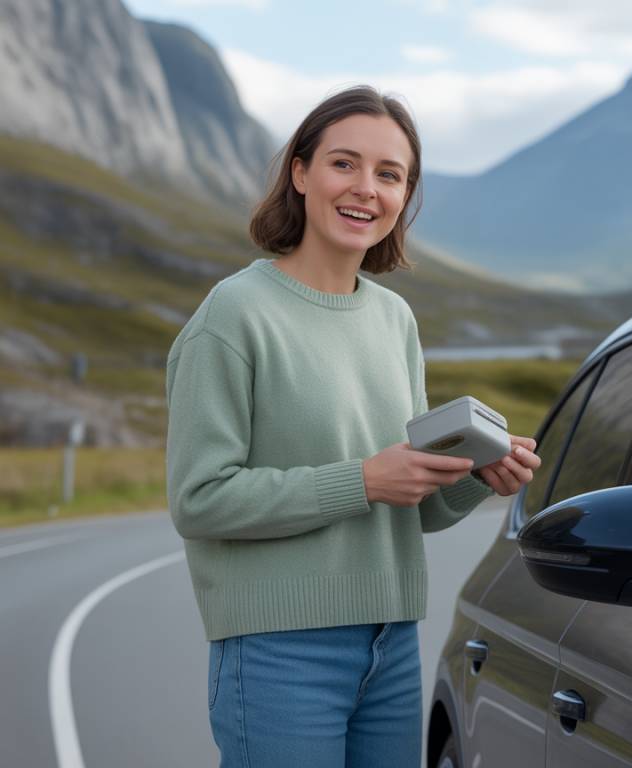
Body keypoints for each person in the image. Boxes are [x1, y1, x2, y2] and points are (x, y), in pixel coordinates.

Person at [165, 85, 541, 768]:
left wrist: (473, 479)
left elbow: (411, 510)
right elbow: (199, 499)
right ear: (301, 174)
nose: (366, 188)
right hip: (278, 652)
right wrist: (363, 480)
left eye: (389, 174)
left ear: (405, 196)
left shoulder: (394, 320)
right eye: (344, 164)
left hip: (392, 644)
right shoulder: (234, 314)